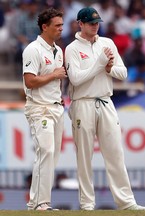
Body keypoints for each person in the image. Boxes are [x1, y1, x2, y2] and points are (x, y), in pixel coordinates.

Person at [64, 7, 145, 211]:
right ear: (80, 24)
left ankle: (126, 202)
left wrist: (109, 68)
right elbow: (75, 79)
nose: (95, 26)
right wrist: (100, 64)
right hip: (82, 102)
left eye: (97, 23)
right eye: (91, 23)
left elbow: (123, 73)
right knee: (84, 156)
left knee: (115, 153)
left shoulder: (107, 43)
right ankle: (87, 204)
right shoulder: (72, 49)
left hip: (105, 100)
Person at [22, 8, 67, 210]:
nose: (61, 29)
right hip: (39, 108)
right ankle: (39, 203)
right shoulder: (33, 49)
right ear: (44, 27)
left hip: (56, 107)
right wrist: (54, 75)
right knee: (45, 152)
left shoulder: (58, 51)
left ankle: (37, 203)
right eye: (57, 25)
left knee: (52, 156)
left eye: (61, 25)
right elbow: (30, 81)